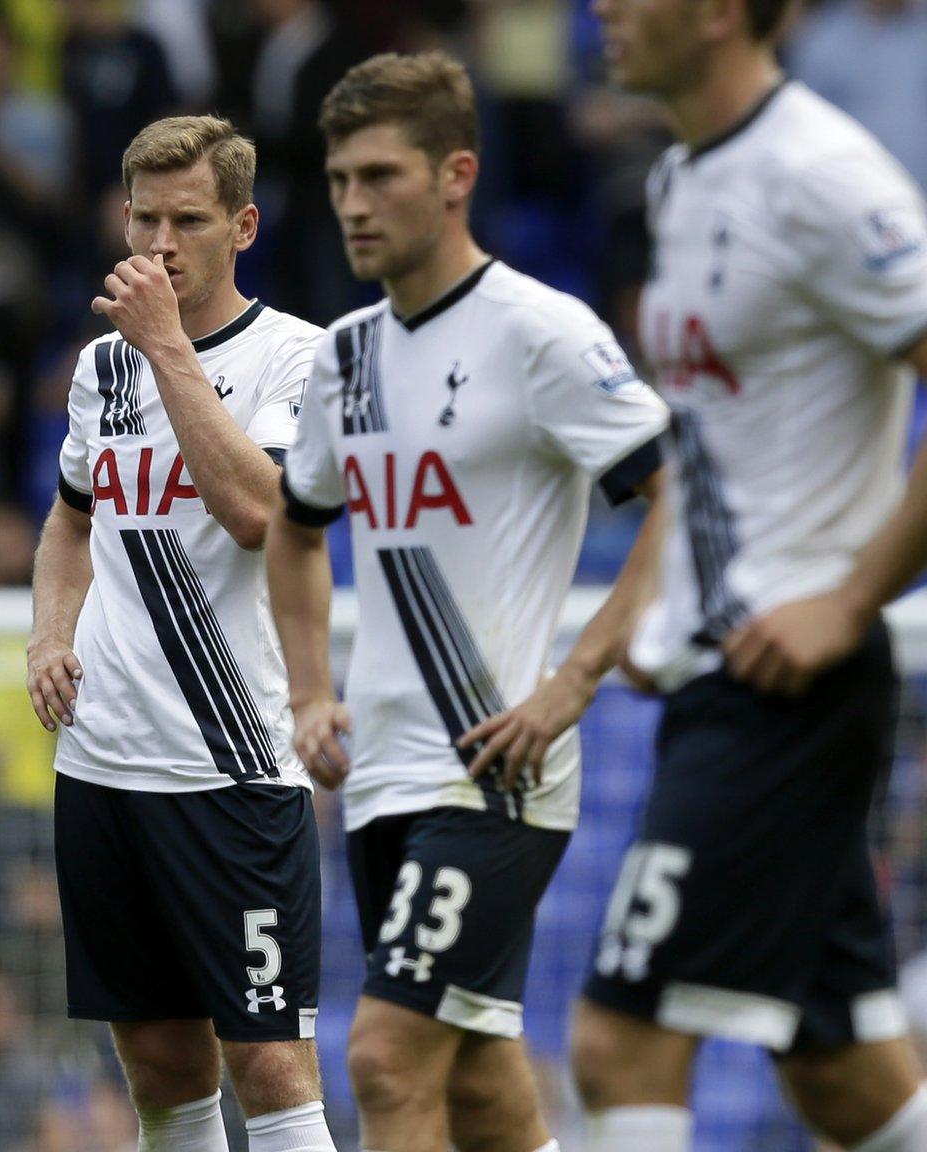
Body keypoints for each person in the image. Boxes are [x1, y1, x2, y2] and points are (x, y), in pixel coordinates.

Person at [267, 52, 670, 1152]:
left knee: (385, 1060)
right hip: (382, 770)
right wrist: (309, 692)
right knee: (484, 1083)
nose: (352, 202)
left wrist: (571, 684)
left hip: (493, 767)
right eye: (339, 178)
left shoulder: (540, 331)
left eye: (379, 176)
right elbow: (294, 531)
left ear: (455, 174)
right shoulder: (343, 358)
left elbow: (677, 499)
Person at [575, 2, 927, 1149]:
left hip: (784, 681)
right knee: (841, 1075)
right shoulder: (681, 179)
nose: (601, 10)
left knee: (617, 1042)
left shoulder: (821, 175)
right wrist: (651, 603)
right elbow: (712, 442)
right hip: (722, 661)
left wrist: (846, 597)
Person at [26, 113, 338, 1152]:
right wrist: (45, 634)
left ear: (242, 226)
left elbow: (261, 515)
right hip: (105, 766)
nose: (158, 245)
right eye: (143, 219)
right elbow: (69, 523)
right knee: (159, 1067)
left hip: (234, 768)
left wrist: (164, 347)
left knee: (270, 1064)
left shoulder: (300, 359)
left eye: (188, 222)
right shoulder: (97, 368)